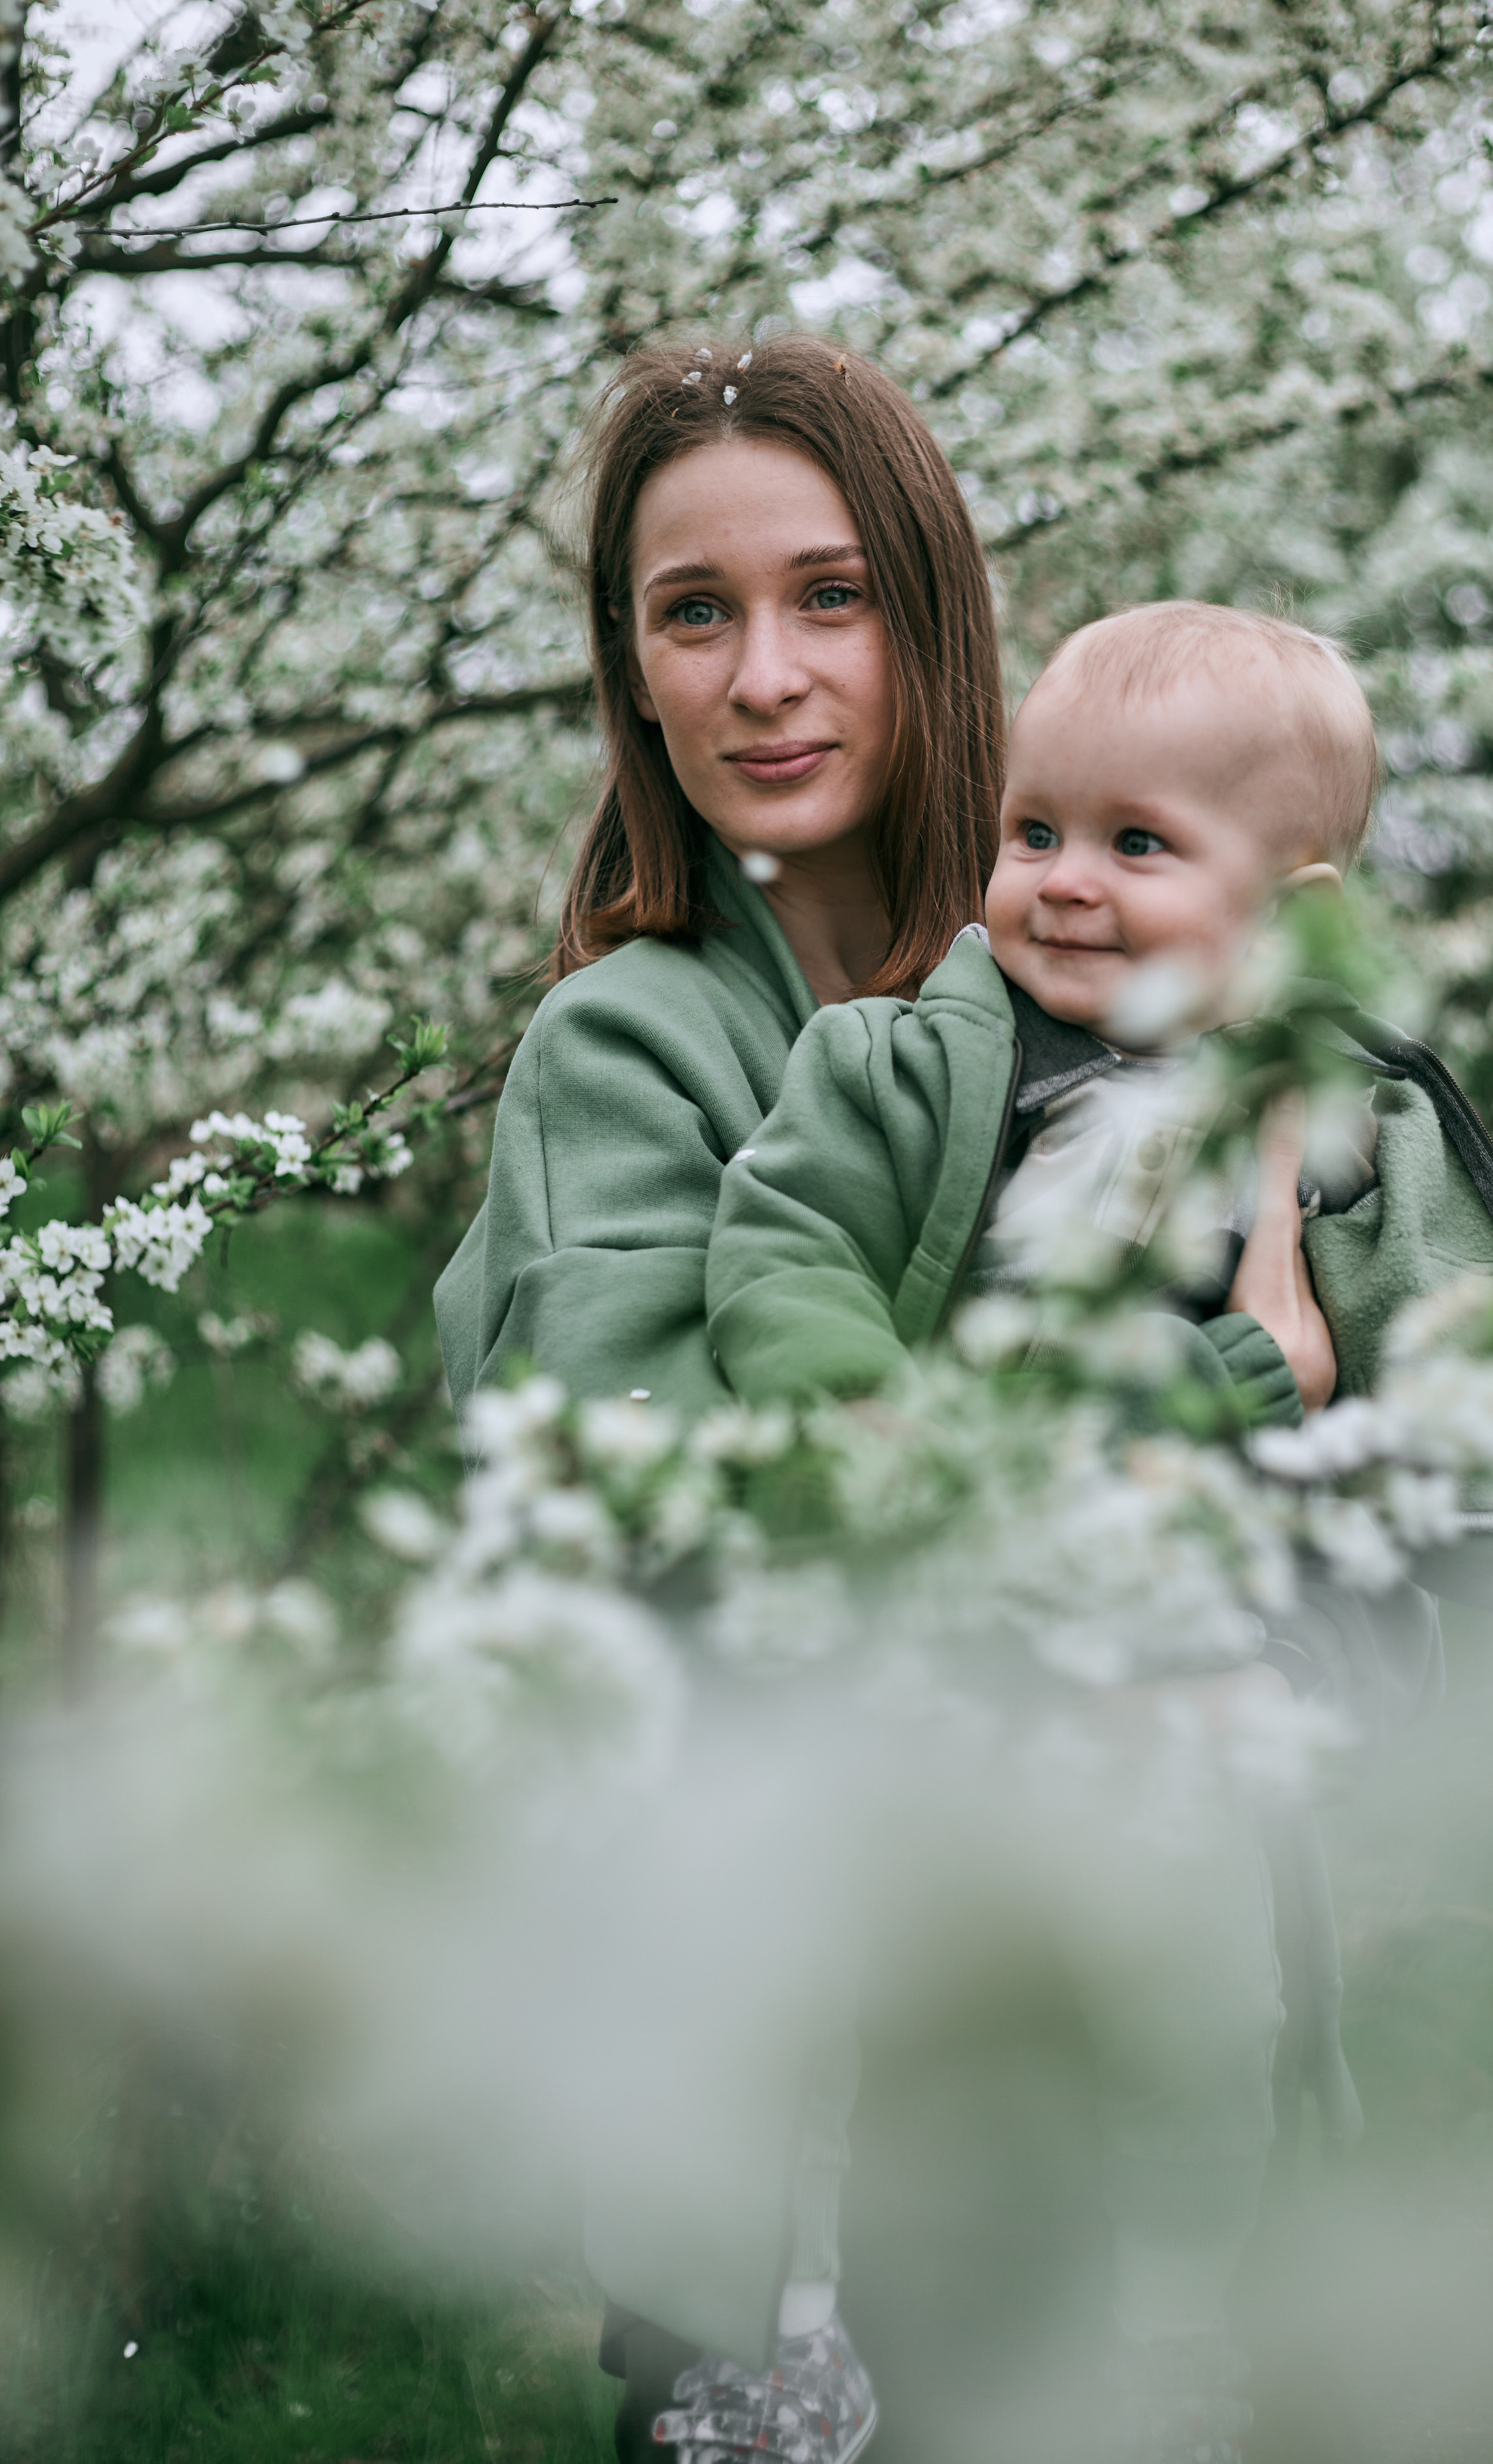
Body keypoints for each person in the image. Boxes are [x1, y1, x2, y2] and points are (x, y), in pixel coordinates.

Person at [703, 599, 1493, 2454]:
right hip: (949, 1646)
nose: (1060, 883)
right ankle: (826, 2333)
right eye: (1036, 830)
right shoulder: (901, 1072)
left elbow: (1461, 1362)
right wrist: (851, 1387)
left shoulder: (1349, 1127)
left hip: (1198, 1685)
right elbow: (784, 1249)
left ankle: (1174, 2345)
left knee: (1198, 2019)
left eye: (1138, 845)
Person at [433, 329, 1007, 2464]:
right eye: (698, 611)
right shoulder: (631, 1051)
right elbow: (696, 1544)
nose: (765, 672)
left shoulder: (1075, 985)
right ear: (638, 674)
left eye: (830, 597)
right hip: (790, 2143)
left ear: (930, 625)